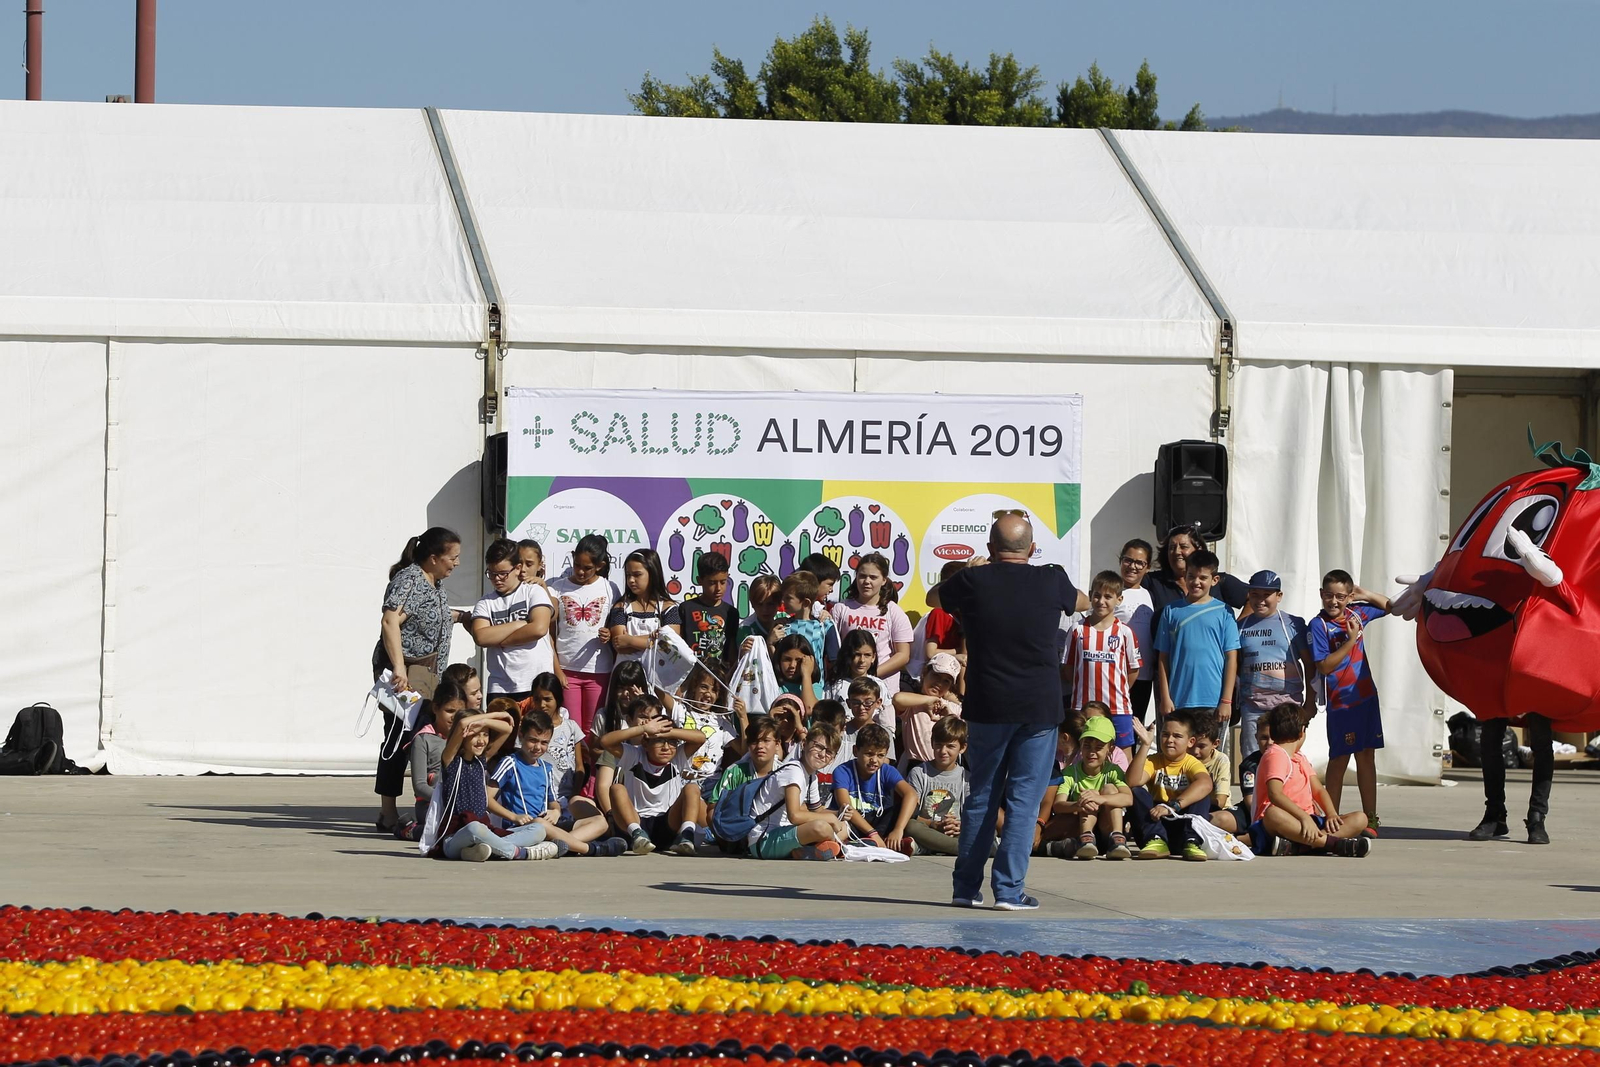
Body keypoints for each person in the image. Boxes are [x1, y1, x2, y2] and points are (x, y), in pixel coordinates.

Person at [927, 513, 1088, 911]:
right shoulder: (1051, 578)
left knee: (982, 795)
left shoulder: (973, 580)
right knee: (1023, 801)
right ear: (1032, 549)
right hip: (1037, 707)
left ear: (989, 549)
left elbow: (933, 598)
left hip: (988, 704)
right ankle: (1009, 891)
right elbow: (1082, 601)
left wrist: (967, 571)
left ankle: (965, 888)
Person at [374, 527, 467, 833]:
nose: (455, 564)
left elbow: (429, 615)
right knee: (399, 740)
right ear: (433, 558)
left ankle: (424, 807)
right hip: (408, 676)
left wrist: (463, 616)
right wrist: (399, 669)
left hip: (427, 675)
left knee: (417, 739)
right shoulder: (410, 579)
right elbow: (390, 620)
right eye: (451, 558)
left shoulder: (433, 582)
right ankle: (388, 813)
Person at [1308, 569, 1391, 833]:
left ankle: (1371, 818)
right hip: (1341, 704)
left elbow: (1391, 606)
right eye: (1329, 596)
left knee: (1367, 758)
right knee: (1339, 759)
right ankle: (1330, 819)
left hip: (1366, 697)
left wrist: (1364, 593)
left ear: (1349, 596)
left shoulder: (1357, 613)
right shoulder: (1318, 625)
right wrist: (1351, 640)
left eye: (1340, 597)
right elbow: (1324, 666)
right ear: (1322, 595)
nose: (1334, 602)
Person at [424, 708, 559, 861]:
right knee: (475, 828)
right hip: (455, 838)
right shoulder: (452, 762)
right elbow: (462, 723)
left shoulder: (481, 761)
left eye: (485, 734)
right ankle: (520, 853)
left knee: (539, 830)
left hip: (486, 832)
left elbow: (508, 728)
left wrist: (484, 722)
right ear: (462, 735)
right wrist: (495, 715)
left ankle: (483, 850)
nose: (481, 740)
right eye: (475, 734)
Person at [491, 708, 627, 857]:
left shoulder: (545, 768)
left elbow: (552, 801)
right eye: (533, 740)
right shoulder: (510, 763)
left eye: (544, 743)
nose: (538, 747)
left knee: (600, 822)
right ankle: (592, 849)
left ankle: (555, 847)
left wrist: (556, 811)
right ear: (521, 736)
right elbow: (487, 799)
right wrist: (513, 817)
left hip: (547, 826)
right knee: (540, 825)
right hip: (521, 828)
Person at [1253, 703, 1372, 857]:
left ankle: (1301, 846)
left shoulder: (1300, 757)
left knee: (1360, 819)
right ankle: (1333, 844)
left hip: (1310, 820)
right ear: (1302, 732)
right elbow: (1275, 795)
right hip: (1282, 823)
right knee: (1273, 814)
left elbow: (1318, 790)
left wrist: (1331, 814)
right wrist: (1303, 817)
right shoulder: (1275, 755)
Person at [601, 695, 707, 855]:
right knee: (616, 788)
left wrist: (667, 731)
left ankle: (686, 836)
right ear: (645, 743)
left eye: (671, 742)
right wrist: (644, 729)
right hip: (635, 822)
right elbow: (605, 741)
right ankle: (638, 835)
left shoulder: (676, 757)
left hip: (666, 824)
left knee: (692, 788)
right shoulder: (634, 755)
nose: (666, 747)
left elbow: (700, 737)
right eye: (659, 741)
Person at [1153, 549, 1240, 732]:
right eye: (1191, 576)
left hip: (1214, 701)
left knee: (1210, 756)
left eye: (1203, 577)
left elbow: (1231, 658)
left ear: (1214, 580)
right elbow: (1163, 658)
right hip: (1178, 700)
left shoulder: (1224, 612)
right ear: (1185, 576)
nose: (1196, 582)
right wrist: (1165, 697)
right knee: (1179, 757)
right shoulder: (1171, 611)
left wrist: (1226, 700)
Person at [1235, 570, 1318, 760]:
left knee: (1287, 759)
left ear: (1279, 596)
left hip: (1288, 705)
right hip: (1252, 706)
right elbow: (1233, 665)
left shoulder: (1293, 624)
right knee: (1253, 760)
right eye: (1255, 594)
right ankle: (1253, 792)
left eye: (1266, 595)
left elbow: (1310, 665)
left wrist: (1310, 703)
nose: (1260, 600)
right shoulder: (1240, 626)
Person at [1063, 571, 1143, 762]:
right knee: (1080, 757)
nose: (1101, 601)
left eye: (1108, 596)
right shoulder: (1077, 630)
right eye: (1097, 595)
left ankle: (1125, 793)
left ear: (1119, 599)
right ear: (1090, 595)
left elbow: (1133, 670)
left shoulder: (1125, 632)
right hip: (1083, 707)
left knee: (1122, 760)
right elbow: (1068, 668)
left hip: (1118, 709)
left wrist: (1118, 691)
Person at [548, 533, 620, 739]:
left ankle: (592, 772)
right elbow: (551, 634)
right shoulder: (558, 588)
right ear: (572, 556)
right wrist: (557, 670)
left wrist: (609, 633)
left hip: (599, 670)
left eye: (587, 568)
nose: (580, 571)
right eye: (577, 564)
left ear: (600, 565)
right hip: (566, 670)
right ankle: (574, 771)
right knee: (571, 729)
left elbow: (616, 625)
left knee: (593, 729)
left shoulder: (609, 588)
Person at [747, 722, 847, 861]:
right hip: (763, 840)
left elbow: (816, 810)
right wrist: (830, 819)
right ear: (804, 744)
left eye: (829, 752)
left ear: (833, 759)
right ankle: (836, 846)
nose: (822, 754)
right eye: (818, 746)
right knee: (821, 827)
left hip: (785, 833)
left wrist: (839, 813)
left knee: (844, 826)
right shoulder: (794, 771)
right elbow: (794, 815)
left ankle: (813, 849)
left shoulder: (811, 775)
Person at [471, 539, 554, 703]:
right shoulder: (485, 602)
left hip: (536, 683)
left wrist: (500, 639)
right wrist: (520, 624)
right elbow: (481, 637)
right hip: (500, 686)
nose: (497, 579)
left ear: (517, 569)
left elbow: (538, 629)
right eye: (491, 574)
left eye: (502, 573)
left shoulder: (534, 592)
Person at [1126, 710, 1213, 861]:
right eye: (1165, 734)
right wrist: (1145, 745)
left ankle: (1192, 841)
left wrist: (1172, 807)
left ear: (1190, 742)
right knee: (1135, 791)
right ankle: (1156, 839)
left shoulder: (1191, 763)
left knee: (1202, 795)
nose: (1169, 740)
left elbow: (1205, 784)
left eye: (1177, 736)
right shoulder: (1154, 761)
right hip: (1152, 827)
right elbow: (1132, 782)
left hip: (1181, 826)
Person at [1045, 716, 1133, 861]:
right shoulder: (1070, 772)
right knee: (1087, 796)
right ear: (1080, 745)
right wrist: (1079, 804)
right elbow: (1058, 805)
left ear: (1110, 749)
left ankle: (1117, 837)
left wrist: (1100, 798)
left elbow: (1128, 798)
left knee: (1110, 789)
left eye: (1099, 747)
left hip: (1106, 830)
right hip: (1080, 828)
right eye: (1087, 746)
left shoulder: (1113, 771)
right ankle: (1087, 838)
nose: (1092, 752)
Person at [831, 553, 914, 696]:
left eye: (873, 577)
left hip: (883, 689)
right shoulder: (841, 608)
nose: (866, 581)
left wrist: (871, 674)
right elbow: (832, 650)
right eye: (862, 576)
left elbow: (903, 655)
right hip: (847, 687)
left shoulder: (894, 612)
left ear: (884, 580)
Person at [832, 723, 917, 852]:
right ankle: (854, 843)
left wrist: (898, 829)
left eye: (880, 755)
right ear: (856, 751)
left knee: (911, 807)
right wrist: (872, 833)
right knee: (844, 818)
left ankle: (889, 840)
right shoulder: (843, 771)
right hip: (855, 823)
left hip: (879, 822)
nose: (874, 760)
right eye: (869, 754)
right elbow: (846, 806)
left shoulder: (887, 770)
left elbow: (911, 794)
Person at [904, 715, 970, 856]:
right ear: (932, 743)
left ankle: (927, 848)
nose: (943, 751)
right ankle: (965, 849)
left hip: (956, 831)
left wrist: (960, 826)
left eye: (950, 746)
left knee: (983, 830)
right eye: (939, 745)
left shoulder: (966, 777)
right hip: (928, 829)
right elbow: (911, 815)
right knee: (910, 826)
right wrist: (934, 825)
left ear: (962, 748)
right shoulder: (919, 772)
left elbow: (971, 815)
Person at [407, 678, 467, 832]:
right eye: (449, 711)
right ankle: (411, 831)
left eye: (460, 713)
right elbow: (419, 786)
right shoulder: (423, 739)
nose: (455, 717)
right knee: (449, 827)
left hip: (462, 805)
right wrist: (446, 800)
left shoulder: (467, 737)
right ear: (435, 708)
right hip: (430, 806)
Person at [666, 551, 739, 672]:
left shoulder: (731, 612)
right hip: (690, 675)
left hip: (720, 678)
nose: (718, 589)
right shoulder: (685, 608)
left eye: (723, 582)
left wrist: (729, 676)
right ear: (699, 580)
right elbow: (677, 645)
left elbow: (731, 651)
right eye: (712, 583)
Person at [1113, 540, 1159, 723]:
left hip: (1144, 675)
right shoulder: (1110, 591)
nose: (1132, 566)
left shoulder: (1149, 594)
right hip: (1116, 674)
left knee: (1134, 727)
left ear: (1147, 567)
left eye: (1139, 563)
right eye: (1128, 560)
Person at [893, 652, 963, 768]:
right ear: (925, 673)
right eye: (936, 675)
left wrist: (949, 716)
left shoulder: (954, 708)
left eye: (946, 681)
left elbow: (962, 735)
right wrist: (928, 701)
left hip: (946, 769)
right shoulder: (913, 704)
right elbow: (898, 699)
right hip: (917, 765)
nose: (939, 683)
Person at [607, 549, 674, 665]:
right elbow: (619, 645)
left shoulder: (668, 607)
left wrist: (630, 640)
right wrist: (655, 641)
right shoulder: (621, 607)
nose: (631, 580)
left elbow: (671, 645)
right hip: (626, 675)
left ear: (652, 573)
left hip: (658, 678)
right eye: (628, 575)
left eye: (637, 575)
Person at [1212, 715, 1274, 835]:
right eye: (1264, 738)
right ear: (1256, 738)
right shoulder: (1250, 764)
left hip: (1281, 815)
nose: (1269, 743)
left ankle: (1246, 839)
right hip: (1254, 812)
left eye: (1274, 738)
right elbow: (1250, 801)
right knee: (1216, 819)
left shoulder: (1292, 759)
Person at [908, 560, 968, 684]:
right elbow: (930, 652)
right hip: (933, 679)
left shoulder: (965, 614)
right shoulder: (940, 613)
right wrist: (958, 651)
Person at [778, 571, 840, 678]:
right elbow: (775, 659)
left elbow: (835, 661)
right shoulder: (782, 626)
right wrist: (770, 642)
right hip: (785, 688)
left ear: (806, 602)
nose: (783, 601)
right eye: (783, 597)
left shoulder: (824, 626)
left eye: (788, 598)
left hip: (815, 688)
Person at [1190, 712, 1231, 812]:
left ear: (1215, 744)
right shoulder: (1184, 758)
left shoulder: (1221, 760)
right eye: (1191, 744)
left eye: (1201, 746)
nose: (1195, 751)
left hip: (1216, 811)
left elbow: (1220, 801)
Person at [773, 633, 823, 709]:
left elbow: (809, 708)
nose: (792, 665)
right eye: (787, 659)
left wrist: (806, 675)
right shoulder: (774, 686)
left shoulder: (814, 687)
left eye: (799, 661)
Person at [737, 575, 784, 650]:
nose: (765, 609)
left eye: (770, 604)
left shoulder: (786, 620)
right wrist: (769, 643)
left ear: (779, 603)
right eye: (760, 604)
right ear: (752, 604)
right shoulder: (744, 629)